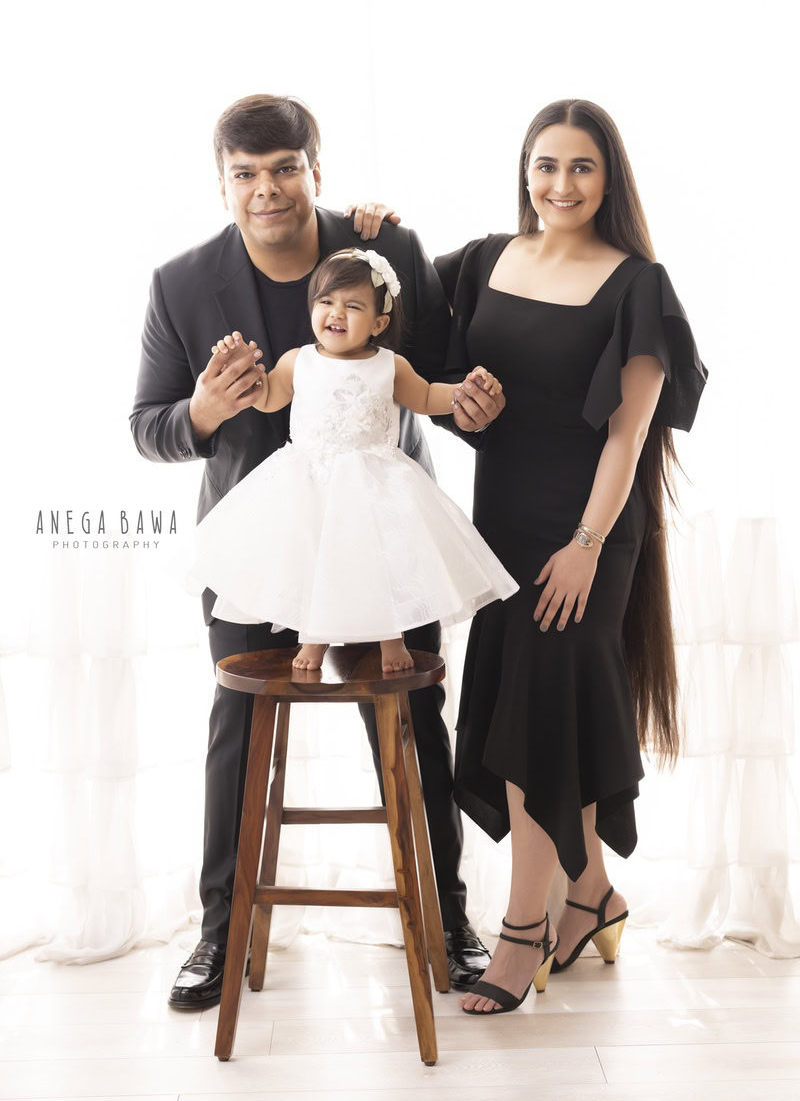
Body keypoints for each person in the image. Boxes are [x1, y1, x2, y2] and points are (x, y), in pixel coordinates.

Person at [129, 94, 503, 1010]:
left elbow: (438, 381)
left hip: (382, 534)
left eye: (286, 168)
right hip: (259, 546)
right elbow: (149, 426)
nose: (268, 190)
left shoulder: (388, 249)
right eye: (246, 175)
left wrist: (475, 404)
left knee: (417, 722)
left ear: (317, 169)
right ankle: (221, 933)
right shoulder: (179, 283)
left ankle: (449, 922)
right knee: (236, 722)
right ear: (222, 185)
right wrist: (209, 410)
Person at [352, 97, 708, 1014]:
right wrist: (382, 231)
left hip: (588, 531)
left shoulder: (638, 285)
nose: (560, 184)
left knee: (536, 721)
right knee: (534, 709)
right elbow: (398, 333)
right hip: (503, 522)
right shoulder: (480, 261)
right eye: (545, 165)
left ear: (609, 178)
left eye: (581, 167)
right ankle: (591, 896)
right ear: (524, 170)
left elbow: (628, 439)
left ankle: (523, 935)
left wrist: (588, 546)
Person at [171, 248, 517, 671]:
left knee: (381, 564)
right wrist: (242, 373)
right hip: (310, 481)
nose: (336, 313)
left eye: (352, 306)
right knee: (317, 564)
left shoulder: (391, 365)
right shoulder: (299, 361)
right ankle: (313, 642)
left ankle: (393, 642)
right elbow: (268, 397)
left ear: (379, 323)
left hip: (375, 484)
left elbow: (427, 396)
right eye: (326, 302)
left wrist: (465, 391)